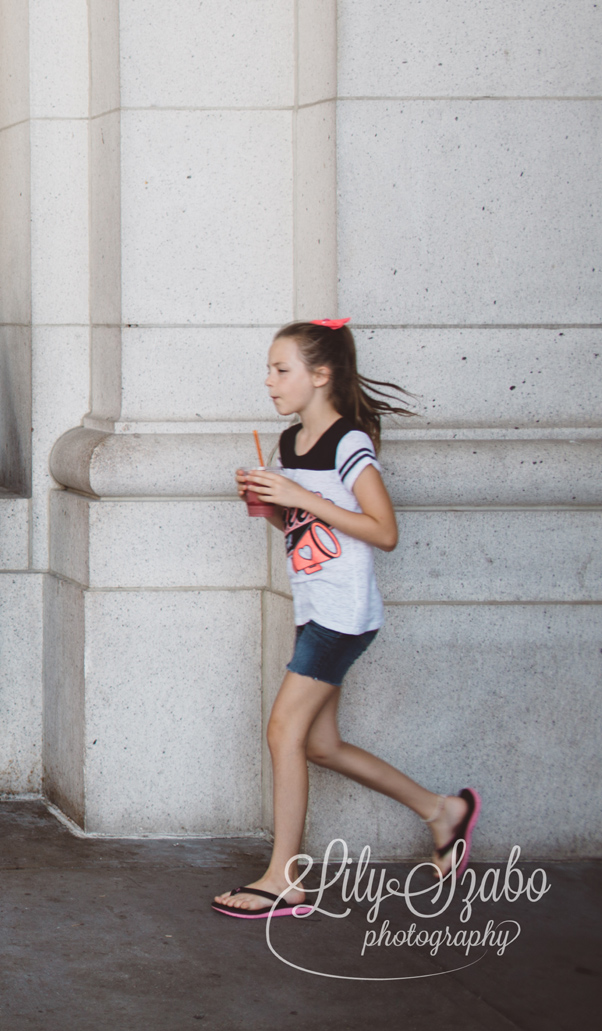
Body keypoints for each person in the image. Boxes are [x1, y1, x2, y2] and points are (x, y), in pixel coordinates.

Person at [212, 320, 478, 919]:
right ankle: (443, 811)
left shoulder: (349, 442)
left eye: (282, 370)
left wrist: (301, 497)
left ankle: (284, 877)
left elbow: (384, 532)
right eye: (270, 369)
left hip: (343, 614)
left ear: (321, 375)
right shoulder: (289, 444)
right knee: (321, 745)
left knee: (284, 731)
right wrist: (268, 504)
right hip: (316, 609)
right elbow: (307, 530)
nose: (270, 381)